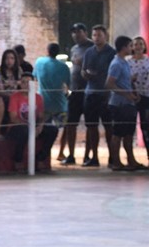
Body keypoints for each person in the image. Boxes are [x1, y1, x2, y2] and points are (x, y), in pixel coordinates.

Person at [6, 72, 57, 172]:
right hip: (18, 127)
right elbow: (13, 118)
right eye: (23, 82)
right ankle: (18, 159)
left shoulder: (38, 97)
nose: (25, 84)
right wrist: (30, 126)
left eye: (28, 82)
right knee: (25, 131)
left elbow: (41, 116)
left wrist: (40, 126)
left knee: (52, 130)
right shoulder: (14, 97)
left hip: (34, 126)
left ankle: (41, 158)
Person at [105, 35, 142, 170]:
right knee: (118, 134)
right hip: (119, 104)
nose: (132, 48)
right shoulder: (116, 64)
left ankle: (131, 160)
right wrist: (126, 94)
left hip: (127, 103)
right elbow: (109, 84)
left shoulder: (124, 62)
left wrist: (131, 84)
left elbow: (123, 80)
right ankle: (116, 162)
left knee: (128, 134)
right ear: (124, 47)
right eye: (130, 46)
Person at [81, 25, 115, 167]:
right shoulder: (89, 52)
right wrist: (86, 74)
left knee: (109, 127)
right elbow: (83, 70)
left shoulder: (111, 53)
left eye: (99, 35)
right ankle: (94, 157)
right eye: (94, 35)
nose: (96, 38)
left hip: (106, 94)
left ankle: (113, 157)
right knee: (92, 126)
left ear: (105, 36)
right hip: (91, 93)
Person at [60, 22, 93, 165]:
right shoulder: (73, 48)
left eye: (79, 31)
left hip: (89, 91)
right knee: (71, 124)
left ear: (85, 32)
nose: (76, 34)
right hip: (75, 91)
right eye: (74, 32)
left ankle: (87, 155)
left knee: (90, 125)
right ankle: (71, 155)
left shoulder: (92, 47)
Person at [34, 42, 71, 141]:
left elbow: (35, 78)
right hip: (59, 104)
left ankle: (44, 150)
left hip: (43, 103)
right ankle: (61, 151)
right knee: (66, 128)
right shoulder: (64, 67)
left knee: (42, 128)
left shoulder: (39, 62)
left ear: (47, 51)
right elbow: (68, 85)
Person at [129, 36, 149, 163]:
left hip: (146, 97)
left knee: (146, 126)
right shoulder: (127, 62)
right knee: (129, 127)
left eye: (141, 44)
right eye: (136, 44)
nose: (138, 46)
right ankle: (130, 158)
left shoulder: (148, 61)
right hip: (131, 97)